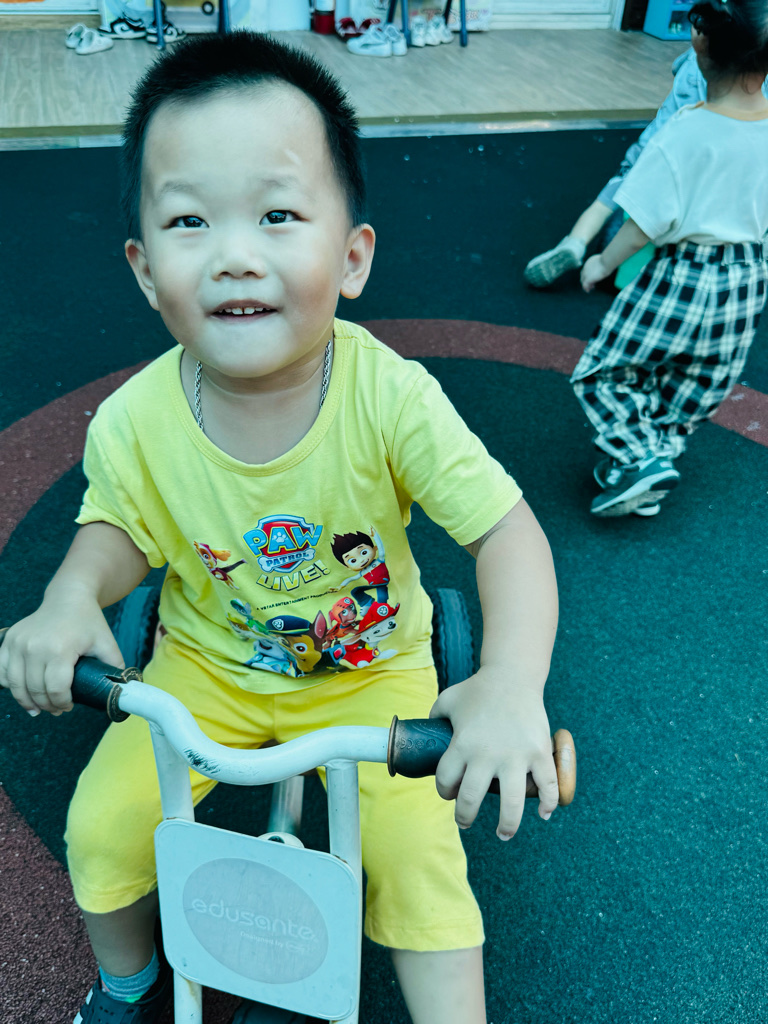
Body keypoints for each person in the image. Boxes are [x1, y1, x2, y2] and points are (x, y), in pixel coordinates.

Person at [0, 31, 560, 1024]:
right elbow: (119, 524)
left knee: (420, 863)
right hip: (205, 667)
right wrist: (72, 594)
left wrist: (511, 682)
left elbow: (507, 535)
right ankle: (125, 984)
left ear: (352, 257)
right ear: (145, 269)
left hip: (371, 671)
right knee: (103, 827)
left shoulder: (390, 398)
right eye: (189, 221)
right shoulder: (135, 419)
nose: (234, 255)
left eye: (277, 214)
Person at [571, 0, 768, 517]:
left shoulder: (685, 130)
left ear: (700, 43)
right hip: (748, 279)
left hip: (684, 275)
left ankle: (640, 459)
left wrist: (601, 264)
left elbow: (641, 223)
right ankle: (646, 471)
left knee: (603, 372)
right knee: (695, 382)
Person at [523, 43, 768, 289]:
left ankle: (574, 243)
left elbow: (676, 67)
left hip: (649, 148)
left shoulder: (695, 57)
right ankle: (630, 266)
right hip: (698, 166)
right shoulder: (750, 84)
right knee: (659, 218)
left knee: (609, 201)